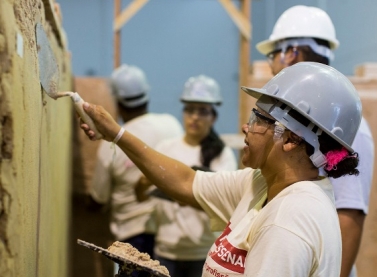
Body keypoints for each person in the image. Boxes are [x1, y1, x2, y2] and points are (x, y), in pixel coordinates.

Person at [80, 62, 362, 276]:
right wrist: (116, 134)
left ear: (290, 139)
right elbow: (187, 181)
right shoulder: (261, 184)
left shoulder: (288, 223)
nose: (246, 127)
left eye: (259, 119)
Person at [255, 5, 375, 277]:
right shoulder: (297, 119)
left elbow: (349, 215)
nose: (272, 64)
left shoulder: (344, 126)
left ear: (291, 53)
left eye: (273, 54)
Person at [137, 75, 237, 277]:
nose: (195, 117)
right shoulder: (166, 149)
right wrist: (142, 182)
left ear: (213, 117)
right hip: (165, 249)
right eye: (190, 109)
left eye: (203, 111)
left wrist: (188, 197)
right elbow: (140, 196)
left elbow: (225, 207)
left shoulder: (222, 155)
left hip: (203, 253)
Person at [87, 64, 183, 266]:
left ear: (117, 102)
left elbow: (99, 198)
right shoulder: (171, 125)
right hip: (170, 233)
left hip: (132, 238)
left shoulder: (110, 144)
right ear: (146, 94)